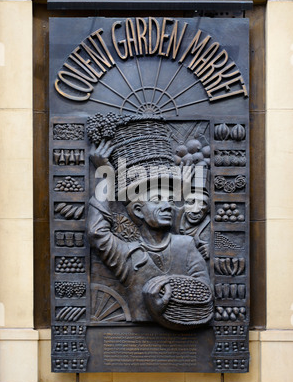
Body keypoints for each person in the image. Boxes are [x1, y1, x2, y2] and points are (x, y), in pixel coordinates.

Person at [87, 140, 212, 328]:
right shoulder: (127, 256)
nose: (167, 205)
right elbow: (97, 232)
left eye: (170, 200)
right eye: (156, 200)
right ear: (138, 211)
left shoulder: (185, 246)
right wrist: (106, 176)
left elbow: (204, 292)